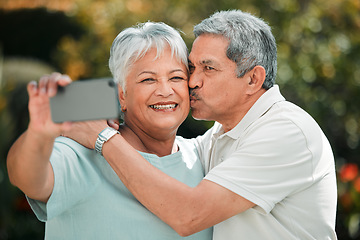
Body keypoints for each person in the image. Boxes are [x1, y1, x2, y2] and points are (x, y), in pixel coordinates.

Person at [64, 9, 338, 240]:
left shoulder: (287, 132)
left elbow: (188, 215)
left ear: (253, 79)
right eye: (192, 68)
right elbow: (157, 145)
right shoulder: (220, 135)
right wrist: (90, 109)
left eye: (209, 68)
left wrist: (103, 138)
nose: (192, 81)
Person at [6, 22, 212, 240]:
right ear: (122, 95)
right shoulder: (81, 152)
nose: (164, 90)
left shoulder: (203, 157)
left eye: (176, 77)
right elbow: (26, 177)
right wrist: (39, 134)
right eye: (148, 79)